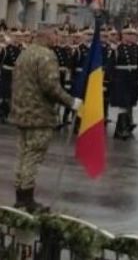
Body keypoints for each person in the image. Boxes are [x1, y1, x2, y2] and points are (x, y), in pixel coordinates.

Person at [10, 23, 81, 213]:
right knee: (33, 156)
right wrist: (71, 102)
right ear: (48, 36)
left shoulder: (25, 54)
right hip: (39, 115)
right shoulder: (46, 56)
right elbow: (50, 86)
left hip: (22, 113)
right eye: (56, 34)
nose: (57, 38)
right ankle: (27, 199)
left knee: (24, 155)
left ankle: (20, 196)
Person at [110, 24, 138, 140]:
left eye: (133, 34)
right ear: (123, 35)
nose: (131, 36)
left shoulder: (137, 49)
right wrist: (113, 80)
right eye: (128, 34)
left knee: (130, 103)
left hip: (133, 79)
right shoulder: (117, 49)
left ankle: (125, 127)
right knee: (123, 104)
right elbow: (110, 66)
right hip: (121, 78)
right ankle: (121, 129)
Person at [0, 27, 25, 123]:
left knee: (11, 95)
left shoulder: (19, 49)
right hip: (6, 73)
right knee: (4, 94)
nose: (18, 38)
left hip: (14, 73)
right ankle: (3, 113)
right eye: (16, 36)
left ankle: (7, 113)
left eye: (19, 37)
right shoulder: (6, 48)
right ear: (12, 37)